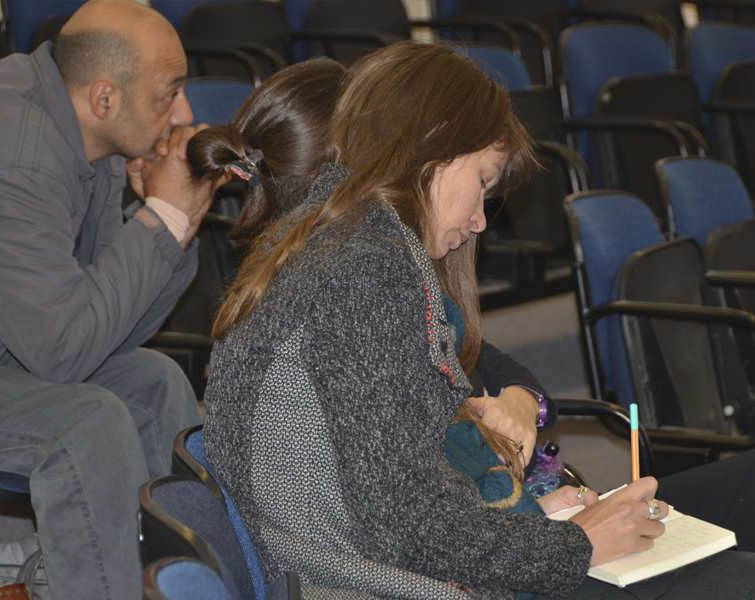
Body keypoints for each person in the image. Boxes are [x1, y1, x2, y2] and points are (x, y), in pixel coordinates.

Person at [201, 41, 755, 600]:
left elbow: (398, 494)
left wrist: (535, 515)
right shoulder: (362, 269)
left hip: (442, 560)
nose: (481, 219)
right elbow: (405, 525)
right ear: (434, 143)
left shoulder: (338, 248)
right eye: (483, 181)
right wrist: (574, 543)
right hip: (409, 585)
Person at [0, 1, 211, 598]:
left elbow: (112, 330)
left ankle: (187, 584)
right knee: (88, 425)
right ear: (104, 98)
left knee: (155, 381)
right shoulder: (13, 159)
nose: (185, 115)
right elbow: (64, 352)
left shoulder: (84, 133)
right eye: (169, 94)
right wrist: (162, 220)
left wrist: (173, 225)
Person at [187, 56, 556, 487]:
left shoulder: (353, 267)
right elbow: (409, 502)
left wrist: (523, 400)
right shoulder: (362, 281)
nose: (479, 222)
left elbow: (482, 357)